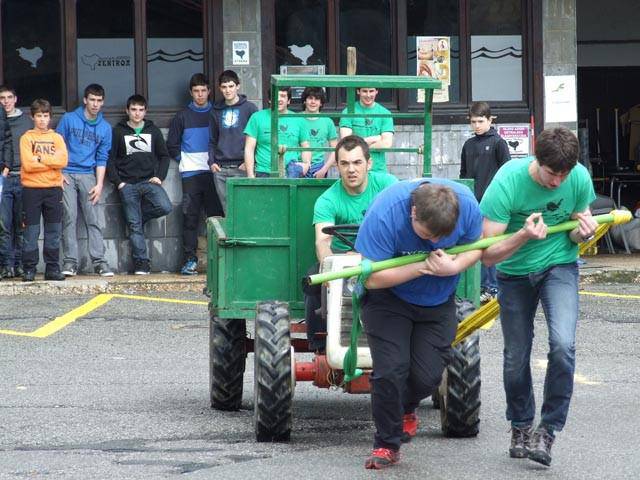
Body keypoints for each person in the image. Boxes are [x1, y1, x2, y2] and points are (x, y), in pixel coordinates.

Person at [480, 127, 597, 467]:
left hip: (559, 266)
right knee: (517, 355)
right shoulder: (507, 182)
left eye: (564, 174)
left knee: (563, 345)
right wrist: (523, 236)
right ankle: (519, 424)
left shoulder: (577, 178)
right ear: (536, 159)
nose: (558, 182)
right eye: (551, 173)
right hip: (513, 271)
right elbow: (488, 255)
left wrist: (582, 232)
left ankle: (547, 429)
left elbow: (576, 232)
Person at [354, 178, 483, 470]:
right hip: (388, 298)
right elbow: (371, 277)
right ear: (413, 213)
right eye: (428, 236)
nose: (435, 243)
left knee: (427, 377)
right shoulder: (386, 212)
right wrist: (422, 267)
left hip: (438, 300)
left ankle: (405, 407)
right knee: (391, 371)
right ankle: (386, 444)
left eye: (442, 237)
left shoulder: (467, 205)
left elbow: (477, 246)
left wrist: (455, 266)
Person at [306, 135, 397, 351]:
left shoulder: (387, 186)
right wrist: (329, 268)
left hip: (380, 258)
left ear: (369, 163)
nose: (351, 170)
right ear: (336, 166)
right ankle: (319, 343)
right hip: (341, 262)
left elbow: (399, 225)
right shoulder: (328, 200)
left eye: (357, 162)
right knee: (313, 280)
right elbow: (322, 241)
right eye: (344, 163)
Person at [107, 94, 173, 275]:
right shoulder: (118, 131)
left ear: (145, 111)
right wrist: (119, 183)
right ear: (127, 111)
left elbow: (164, 156)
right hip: (127, 185)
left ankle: (137, 218)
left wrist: (160, 176)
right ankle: (141, 263)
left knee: (165, 206)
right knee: (135, 228)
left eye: (141, 110)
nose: (137, 113)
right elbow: (110, 159)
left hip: (149, 181)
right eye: (134, 110)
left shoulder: (153, 130)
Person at [167, 73, 223, 275]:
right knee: (190, 218)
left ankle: (219, 262)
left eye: (203, 90)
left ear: (209, 91)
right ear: (191, 93)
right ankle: (190, 260)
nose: (200, 94)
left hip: (213, 172)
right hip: (190, 174)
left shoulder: (217, 113)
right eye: (196, 91)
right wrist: (185, 161)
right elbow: (171, 144)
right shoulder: (182, 116)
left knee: (216, 218)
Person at [56, 83, 114, 277]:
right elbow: (56, 145)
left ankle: (99, 262)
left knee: (93, 219)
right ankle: (70, 262)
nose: (95, 104)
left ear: (102, 102)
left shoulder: (105, 128)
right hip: (66, 174)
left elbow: (102, 158)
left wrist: (99, 184)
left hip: (89, 175)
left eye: (99, 101)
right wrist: (58, 171)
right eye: (92, 100)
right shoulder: (69, 119)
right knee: (69, 218)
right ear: (85, 100)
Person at [459, 101, 511, 302]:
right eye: (473, 122)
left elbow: (507, 173)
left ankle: (493, 287)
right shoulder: (468, 145)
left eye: (480, 121)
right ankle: (482, 286)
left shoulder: (499, 143)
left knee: (491, 244)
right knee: (476, 242)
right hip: (473, 201)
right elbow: (463, 174)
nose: (477, 125)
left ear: (490, 120)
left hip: (494, 203)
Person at [19, 99, 68, 281]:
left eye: (45, 116)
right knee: (31, 232)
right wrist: (49, 161)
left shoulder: (57, 138)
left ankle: (52, 268)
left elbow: (62, 161)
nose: (42, 119)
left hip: (53, 189)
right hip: (31, 190)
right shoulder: (26, 138)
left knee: (53, 230)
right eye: (38, 115)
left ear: (50, 117)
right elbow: (28, 164)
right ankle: (29, 269)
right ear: (32, 117)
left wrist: (39, 158)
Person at [208, 70, 258, 212]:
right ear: (220, 88)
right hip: (221, 169)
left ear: (238, 86)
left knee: (245, 208)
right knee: (228, 211)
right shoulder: (215, 110)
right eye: (224, 87)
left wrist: (249, 162)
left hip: (242, 166)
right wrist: (212, 162)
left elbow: (257, 139)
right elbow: (212, 139)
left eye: (231, 86)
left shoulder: (250, 108)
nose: (227, 90)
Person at [243, 87, 311, 178]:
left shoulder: (299, 120)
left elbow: (305, 146)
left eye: (283, 96)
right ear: (270, 100)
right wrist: (250, 175)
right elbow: (249, 148)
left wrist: (306, 164)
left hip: (291, 173)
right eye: (276, 96)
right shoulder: (257, 118)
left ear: (288, 100)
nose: (279, 99)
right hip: (263, 172)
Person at [0, 85, 30, 279]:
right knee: (3, 225)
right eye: (2, 98)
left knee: (21, 225)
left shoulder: (27, 122)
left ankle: (19, 264)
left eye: (9, 97)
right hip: (4, 178)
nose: (6, 101)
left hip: (23, 177)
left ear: (16, 99)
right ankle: (6, 265)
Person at [339, 87, 394, 172]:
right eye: (364, 91)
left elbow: (386, 144)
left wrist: (357, 143)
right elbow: (347, 142)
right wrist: (374, 139)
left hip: (378, 170)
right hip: (354, 169)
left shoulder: (385, 113)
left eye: (371, 91)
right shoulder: (348, 111)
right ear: (358, 91)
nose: (368, 95)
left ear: (376, 91)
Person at [300, 86, 337, 178]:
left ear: (321, 103)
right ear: (305, 101)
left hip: (319, 167)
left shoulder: (327, 121)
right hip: (299, 165)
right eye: (310, 98)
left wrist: (324, 169)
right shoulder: (295, 119)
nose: (313, 102)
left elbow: (335, 149)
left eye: (317, 99)